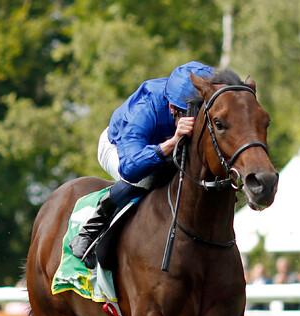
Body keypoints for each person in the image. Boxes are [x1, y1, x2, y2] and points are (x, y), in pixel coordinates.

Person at [69, 61, 215, 263]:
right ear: (172, 107)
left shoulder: (188, 99)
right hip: (119, 148)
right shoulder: (145, 108)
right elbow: (130, 167)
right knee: (147, 177)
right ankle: (89, 231)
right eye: (189, 114)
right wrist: (171, 144)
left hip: (161, 150)